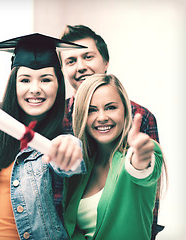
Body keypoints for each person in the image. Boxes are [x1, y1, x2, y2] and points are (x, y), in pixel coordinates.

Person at [0, 33, 87, 240]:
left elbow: (70, 164)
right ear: (14, 84)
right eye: (25, 80)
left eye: (46, 79)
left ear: (59, 85)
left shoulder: (63, 139)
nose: (35, 89)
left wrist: (70, 150)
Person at [59, 24, 163, 239]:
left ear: (105, 62)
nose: (80, 67)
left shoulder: (139, 116)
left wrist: (142, 156)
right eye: (71, 61)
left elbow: (145, 181)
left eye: (88, 56)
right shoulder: (56, 118)